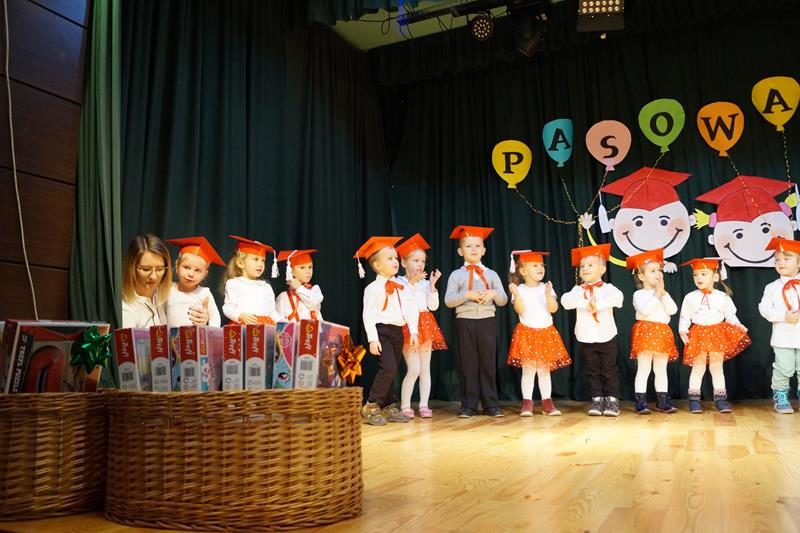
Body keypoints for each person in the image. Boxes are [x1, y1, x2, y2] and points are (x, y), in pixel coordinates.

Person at [444, 225, 508, 418]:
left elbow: (503, 300)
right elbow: (448, 301)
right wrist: (467, 295)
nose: (473, 249)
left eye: (477, 246)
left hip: (487, 320)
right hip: (465, 321)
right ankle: (468, 405)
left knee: (488, 363)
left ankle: (491, 404)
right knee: (468, 364)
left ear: (484, 250)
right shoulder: (456, 275)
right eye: (468, 246)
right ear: (460, 251)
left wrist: (493, 293)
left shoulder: (491, 274)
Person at [356, 236, 419, 426]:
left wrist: (413, 331)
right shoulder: (372, 288)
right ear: (377, 265)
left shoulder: (402, 286)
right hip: (381, 331)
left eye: (395, 258)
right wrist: (373, 339)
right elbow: (368, 315)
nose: (395, 261)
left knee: (393, 370)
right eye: (389, 259)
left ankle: (389, 405)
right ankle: (371, 404)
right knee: (388, 367)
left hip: (397, 331)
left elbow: (410, 309)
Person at [679, 258, 751, 413]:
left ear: (715, 277)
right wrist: (683, 330)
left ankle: (720, 399)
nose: (699, 278)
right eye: (695, 274)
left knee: (716, 367)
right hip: (698, 334)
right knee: (698, 368)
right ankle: (694, 400)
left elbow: (730, 315)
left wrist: (738, 325)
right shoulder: (690, 297)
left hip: (717, 334)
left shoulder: (722, 297)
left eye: (703, 274)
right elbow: (685, 316)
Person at [561, 243, 624, 416]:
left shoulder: (608, 289)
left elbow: (619, 299)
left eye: (590, 265)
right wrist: (584, 303)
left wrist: (599, 305)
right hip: (586, 337)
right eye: (582, 266)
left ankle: (612, 401)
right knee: (592, 370)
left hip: (607, 336)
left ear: (602, 269)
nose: (585, 268)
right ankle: (597, 400)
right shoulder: (577, 290)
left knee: (609, 370)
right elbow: (565, 301)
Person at [506, 250, 571, 416]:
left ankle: (547, 403)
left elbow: (553, 309)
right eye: (535, 265)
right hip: (527, 333)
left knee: (544, 370)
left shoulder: (545, 287)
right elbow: (520, 310)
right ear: (523, 271)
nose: (540, 268)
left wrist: (548, 295)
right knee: (528, 370)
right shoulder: (520, 289)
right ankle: (527, 403)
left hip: (545, 332)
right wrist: (516, 295)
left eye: (541, 265)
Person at [395, 233, 447, 419]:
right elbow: (403, 303)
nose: (420, 265)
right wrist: (412, 283)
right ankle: (405, 405)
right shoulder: (398, 282)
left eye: (423, 261)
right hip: (409, 327)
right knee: (414, 368)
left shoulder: (425, 283)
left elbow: (433, 306)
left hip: (426, 325)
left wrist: (432, 286)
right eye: (415, 260)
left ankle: (424, 405)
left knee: (425, 369)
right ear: (403, 262)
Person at [627, 248, 679, 414]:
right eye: (652, 271)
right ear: (642, 276)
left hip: (662, 332)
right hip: (646, 331)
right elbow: (645, 310)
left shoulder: (663, 293)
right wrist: (656, 294)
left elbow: (672, 310)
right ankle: (640, 402)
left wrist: (663, 294)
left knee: (661, 369)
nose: (658, 274)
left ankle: (663, 401)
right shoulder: (639, 294)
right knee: (644, 368)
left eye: (659, 270)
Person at [758, 237, 800, 413]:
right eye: (777, 259)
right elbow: (764, 309)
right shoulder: (772, 287)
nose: (781, 262)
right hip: (783, 338)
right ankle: (781, 396)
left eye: (786, 258)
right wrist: (783, 316)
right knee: (784, 368)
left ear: (799, 263)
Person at [222, 235, 282, 325]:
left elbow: (272, 311)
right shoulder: (234, 284)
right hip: (244, 325)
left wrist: (282, 323)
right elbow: (228, 308)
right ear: (240, 263)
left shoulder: (266, 287)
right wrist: (240, 315)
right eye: (256, 259)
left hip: (265, 325)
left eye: (263, 260)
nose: (260, 264)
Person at [166, 236, 223, 327]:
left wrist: (212, 333)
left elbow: (214, 316)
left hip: (195, 335)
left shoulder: (204, 293)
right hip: (171, 335)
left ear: (204, 274)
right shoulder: (168, 290)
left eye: (197, 270)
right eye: (186, 267)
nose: (191, 274)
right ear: (177, 267)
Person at [121, 234, 173, 328]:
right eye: (146, 269)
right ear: (131, 268)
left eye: (159, 269)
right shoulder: (126, 309)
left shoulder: (165, 295)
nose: (153, 277)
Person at [275, 249, 324, 321]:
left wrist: (298, 287)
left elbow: (313, 302)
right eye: (302, 268)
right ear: (291, 271)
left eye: (310, 267)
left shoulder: (314, 289)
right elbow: (279, 322)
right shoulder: (283, 297)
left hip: (316, 328)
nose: (308, 271)